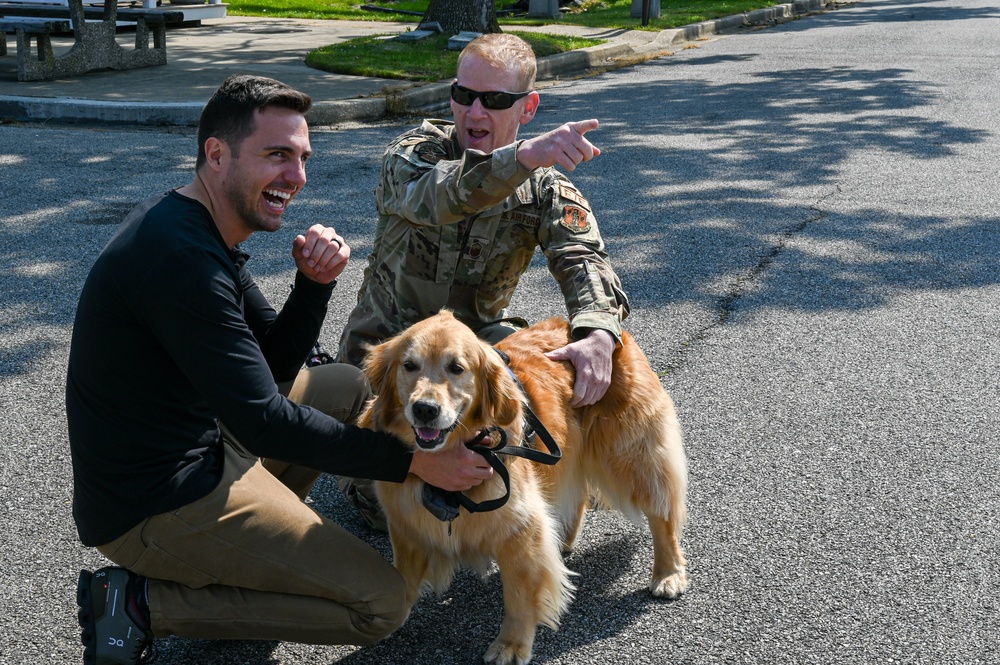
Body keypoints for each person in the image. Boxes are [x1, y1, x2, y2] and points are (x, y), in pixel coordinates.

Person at [66, 74, 493, 665]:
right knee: (381, 604)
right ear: (216, 154)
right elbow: (265, 419)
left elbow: (267, 371)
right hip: (153, 503)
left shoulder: (196, 225)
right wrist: (417, 463)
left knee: (345, 384)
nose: (296, 177)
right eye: (276, 155)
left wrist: (313, 287)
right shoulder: (178, 260)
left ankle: (255, 568)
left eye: (302, 157)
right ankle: (140, 602)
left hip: (206, 445)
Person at [335, 33, 630, 529]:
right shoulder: (413, 157)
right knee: (375, 505)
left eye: (494, 100)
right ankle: (475, 469)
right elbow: (445, 193)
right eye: (463, 95)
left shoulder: (546, 188)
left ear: (528, 107)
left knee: (555, 359)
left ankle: (532, 465)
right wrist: (522, 160)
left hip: (469, 358)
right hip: (388, 361)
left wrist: (598, 331)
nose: (474, 112)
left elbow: (585, 260)